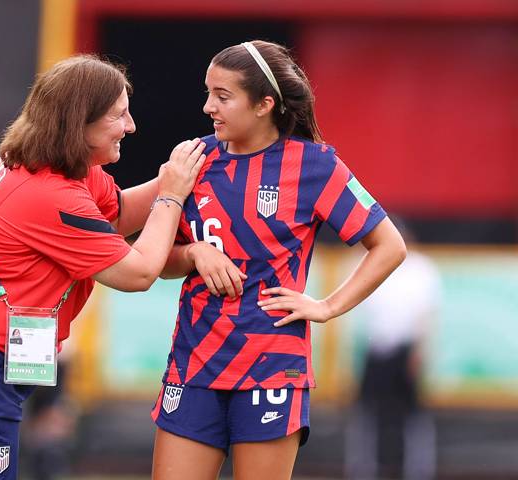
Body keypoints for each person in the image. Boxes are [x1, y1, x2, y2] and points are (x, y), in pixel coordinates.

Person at [0, 54, 206, 480]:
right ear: (80, 122)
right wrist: (172, 195)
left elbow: (118, 213)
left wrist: (185, 171)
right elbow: (139, 273)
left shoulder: (58, 166)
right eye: (118, 114)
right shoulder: (49, 193)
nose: (130, 126)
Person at [150, 40, 407, 480]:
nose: (208, 106)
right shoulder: (193, 159)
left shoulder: (316, 166)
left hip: (271, 366)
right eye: (208, 92)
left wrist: (326, 307)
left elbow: (390, 246)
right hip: (193, 361)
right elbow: (158, 260)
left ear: (264, 104)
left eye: (223, 96)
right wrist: (193, 253)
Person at [344, 220, 440, 480]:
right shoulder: (371, 264)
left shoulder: (421, 269)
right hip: (377, 348)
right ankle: (361, 469)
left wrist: (420, 351)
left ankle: (418, 470)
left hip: (405, 348)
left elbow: (426, 315)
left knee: (412, 414)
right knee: (366, 412)